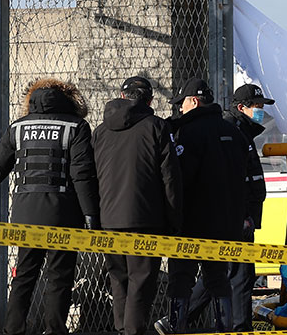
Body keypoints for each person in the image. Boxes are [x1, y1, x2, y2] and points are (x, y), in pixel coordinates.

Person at [0, 78, 99, 335]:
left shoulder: (19, 128)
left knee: (24, 275)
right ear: (69, 100)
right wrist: (91, 213)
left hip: (25, 214)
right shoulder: (76, 126)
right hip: (62, 213)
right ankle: (54, 330)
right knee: (59, 277)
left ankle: (13, 329)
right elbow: (82, 174)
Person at [160, 77, 251, 334]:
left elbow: (180, 180)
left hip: (192, 222)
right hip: (226, 224)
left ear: (194, 101)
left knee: (181, 280)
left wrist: (171, 217)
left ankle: (176, 329)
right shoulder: (235, 133)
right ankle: (224, 328)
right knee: (218, 280)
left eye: (182, 104)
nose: (179, 110)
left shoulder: (188, 134)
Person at [93, 76, 182, 335]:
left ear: (122, 96)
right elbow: (170, 178)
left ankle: (123, 329)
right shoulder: (156, 127)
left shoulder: (100, 131)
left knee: (118, 278)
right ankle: (132, 331)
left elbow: (90, 175)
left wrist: (94, 216)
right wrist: (174, 221)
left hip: (109, 217)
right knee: (141, 280)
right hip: (145, 219)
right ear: (150, 101)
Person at [187, 83, 270, 331]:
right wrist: (243, 215)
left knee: (222, 272)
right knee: (240, 275)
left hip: (238, 217)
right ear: (241, 107)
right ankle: (238, 327)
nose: (260, 111)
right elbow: (233, 181)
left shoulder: (241, 131)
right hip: (235, 218)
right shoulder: (232, 132)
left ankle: (176, 320)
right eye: (256, 106)